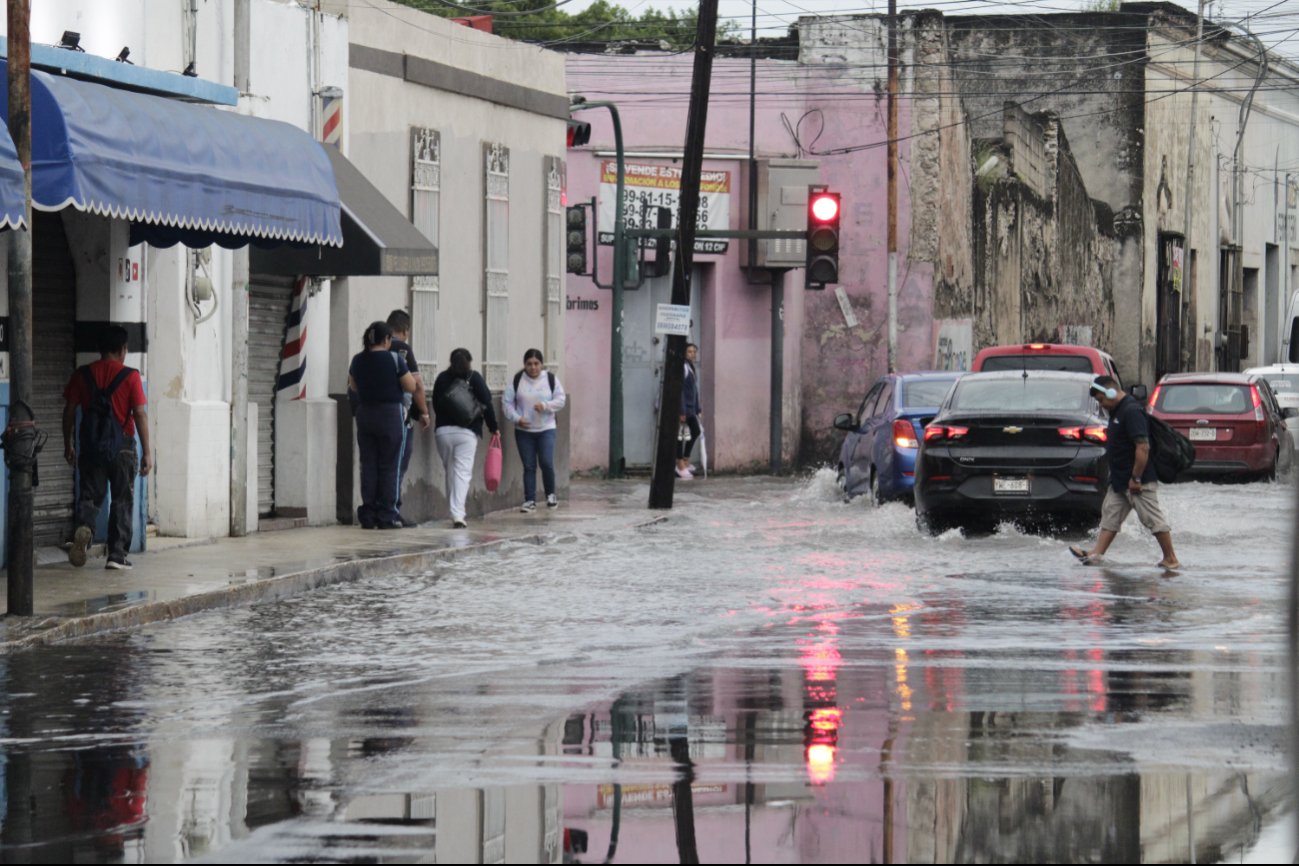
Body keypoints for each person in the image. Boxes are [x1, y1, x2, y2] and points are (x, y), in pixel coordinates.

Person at [61, 325, 152, 570]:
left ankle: (84, 529)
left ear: (100, 349)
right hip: (122, 445)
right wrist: (148, 452)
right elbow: (140, 414)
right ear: (123, 350)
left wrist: (68, 443)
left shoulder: (82, 375)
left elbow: (69, 411)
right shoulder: (131, 376)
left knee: (90, 495)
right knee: (122, 498)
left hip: (91, 445)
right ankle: (117, 555)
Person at [1069, 376, 1181, 570]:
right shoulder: (1117, 411)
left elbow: (1143, 447)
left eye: (1101, 400)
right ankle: (1096, 554)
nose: (1101, 405)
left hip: (1138, 480)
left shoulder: (1131, 411)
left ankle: (1170, 558)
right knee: (1110, 515)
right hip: (1120, 480)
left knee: (1152, 519)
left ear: (1111, 393)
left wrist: (1136, 477)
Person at [348, 321, 430, 530]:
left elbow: (353, 385)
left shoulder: (357, 360)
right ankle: (388, 514)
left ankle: (368, 513)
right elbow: (411, 386)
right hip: (390, 415)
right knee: (390, 465)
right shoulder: (394, 359)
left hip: (365, 414)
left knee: (368, 465)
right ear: (386, 340)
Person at [432, 347, 499, 529]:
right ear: (469, 361)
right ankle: (458, 514)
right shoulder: (474, 377)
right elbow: (487, 403)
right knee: (462, 472)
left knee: (451, 471)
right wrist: (494, 427)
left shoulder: (442, 378)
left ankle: (454, 510)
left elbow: (436, 405)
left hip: (443, 432)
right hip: (467, 432)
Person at [502, 348, 567, 511]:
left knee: (546, 462)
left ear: (542, 364)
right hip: (524, 431)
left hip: (546, 428)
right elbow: (506, 402)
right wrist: (517, 418)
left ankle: (550, 495)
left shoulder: (550, 379)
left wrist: (545, 406)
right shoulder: (518, 380)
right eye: (529, 364)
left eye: (536, 363)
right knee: (529, 466)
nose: (533, 367)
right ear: (524, 365)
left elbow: (561, 399)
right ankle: (529, 500)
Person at [386, 309, 427, 523]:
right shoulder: (402, 349)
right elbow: (417, 385)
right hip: (400, 416)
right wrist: (424, 413)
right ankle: (393, 511)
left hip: (372, 414)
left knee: (377, 465)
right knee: (398, 464)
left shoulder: (370, 350)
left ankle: (378, 510)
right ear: (405, 331)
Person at [676, 342, 702, 479]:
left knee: (695, 431)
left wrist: (698, 408)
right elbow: (680, 391)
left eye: (694, 352)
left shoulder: (691, 367)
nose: (693, 354)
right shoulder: (683, 367)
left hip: (691, 408)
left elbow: (694, 390)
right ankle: (679, 464)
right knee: (679, 436)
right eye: (690, 352)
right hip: (684, 409)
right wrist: (682, 411)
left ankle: (685, 460)